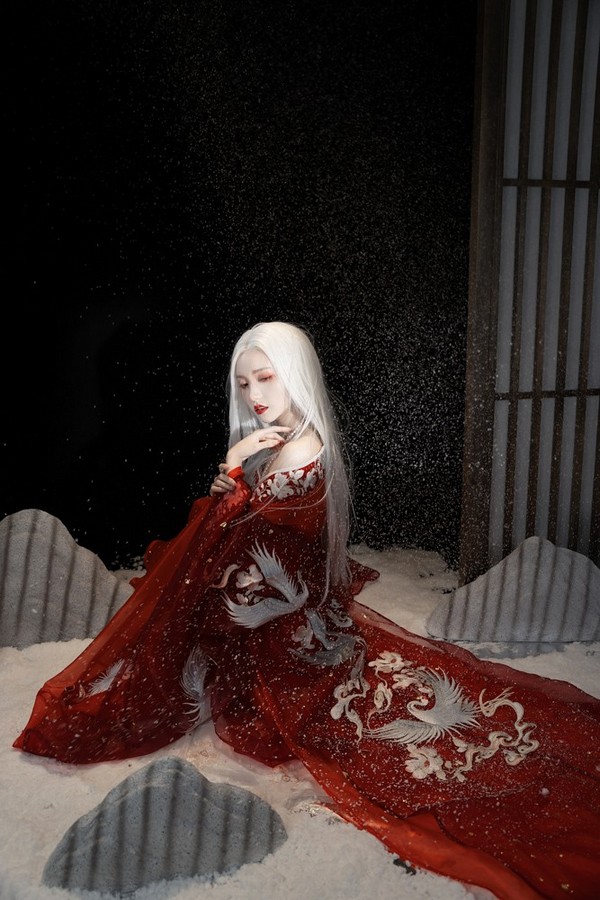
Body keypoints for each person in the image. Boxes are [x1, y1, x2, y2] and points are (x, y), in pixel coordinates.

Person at [13, 321, 600, 900]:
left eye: (266, 377)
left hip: (286, 633)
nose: (255, 394)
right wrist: (233, 485)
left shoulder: (299, 453)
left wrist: (234, 473)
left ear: (294, 374)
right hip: (285, 613)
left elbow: (240, 555)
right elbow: (241, 540)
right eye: (244, 382)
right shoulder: (287, 441)